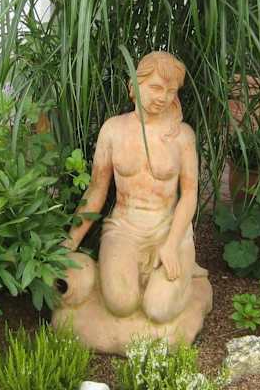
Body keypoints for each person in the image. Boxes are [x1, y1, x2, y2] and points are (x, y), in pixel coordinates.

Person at [64, 51, 207, 324]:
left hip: (167, 228)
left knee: (158, 310)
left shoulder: (182, 136)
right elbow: (96, 190)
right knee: (120, 303)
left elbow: (189, 196)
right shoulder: (113, 130)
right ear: (134, 85)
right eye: (155, 87)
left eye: (171, 91)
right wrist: (70, 241)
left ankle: (190, 279)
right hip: (123, 229)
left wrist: (172, 244)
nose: (162, 97)